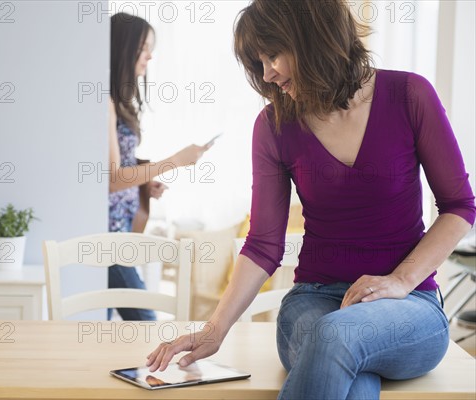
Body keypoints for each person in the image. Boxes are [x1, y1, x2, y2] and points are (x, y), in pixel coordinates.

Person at [145, 1, 476, 399]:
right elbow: (264, 243)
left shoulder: (409, 95)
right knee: (348, 367)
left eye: (273, 55)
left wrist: (400, 280)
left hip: (409, 304)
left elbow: (459, 205)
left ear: (311, 36)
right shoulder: (274, 126)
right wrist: (214, 330)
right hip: (314, 302)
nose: (267, 73)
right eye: (259, 62)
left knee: (340, 334)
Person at [108, 12, 212, 321]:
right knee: (146, 323)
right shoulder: (105, 103)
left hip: (120, 233)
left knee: (108, 323)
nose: (150, 56)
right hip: (108, 238)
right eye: (144, 47)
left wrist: (142, 183)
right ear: (123, 48)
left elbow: (119, 169)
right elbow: (112, 179)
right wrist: (175, 162)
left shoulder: (116, 101)